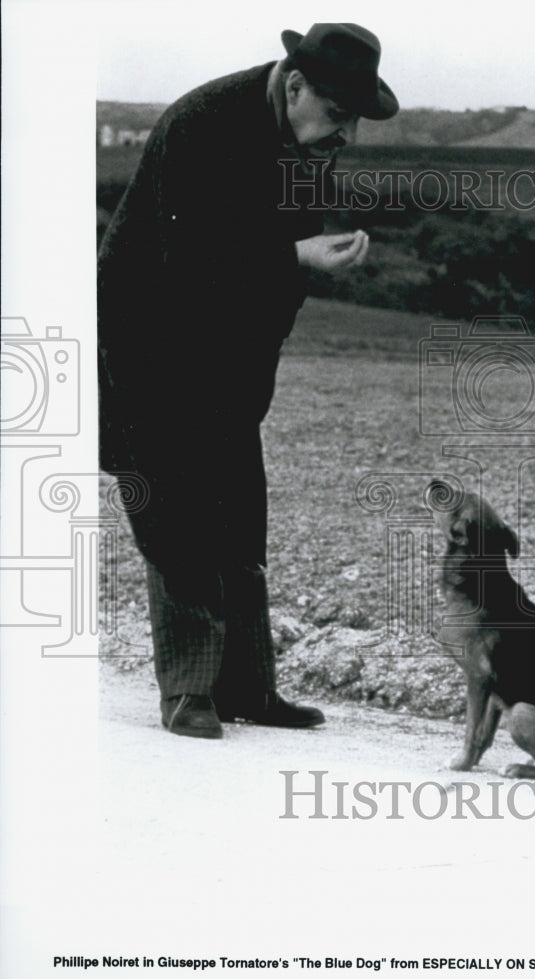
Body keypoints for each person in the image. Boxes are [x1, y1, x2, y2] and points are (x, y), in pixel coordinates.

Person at [97, 24, 399, 738]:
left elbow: (281, 269)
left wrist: (295, 278)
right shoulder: (201, 123)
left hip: (230, 353)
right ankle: (188, 692)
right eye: (338, 114)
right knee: (174, 514)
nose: (346, 133)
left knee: (237, 512)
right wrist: (294, 252)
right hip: (149, 342)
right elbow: (184, 255)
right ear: (295, 87)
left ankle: (248, 691)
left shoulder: (309, 142)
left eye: (354, 119)